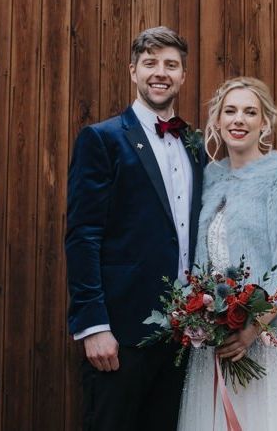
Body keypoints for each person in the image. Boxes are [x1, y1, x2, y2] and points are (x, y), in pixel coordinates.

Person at [177, 77, 277, 430]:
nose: (239, 120)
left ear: (265, 122)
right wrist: (203, 317)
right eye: (230, 111)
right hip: (214, 349)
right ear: (217, 121)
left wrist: (250, 329)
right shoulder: (211, 178)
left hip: (264, 341)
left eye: (250, 112)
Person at [66, 26, 204, 431]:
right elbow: (83, 235)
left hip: (183, 337)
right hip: (121, 335)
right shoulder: (102, 139)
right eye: (150, 63)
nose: (160, 73)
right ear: (133, 71)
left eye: (170, 65)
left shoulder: (194, 145)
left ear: (183, 76)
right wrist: (94, 326)